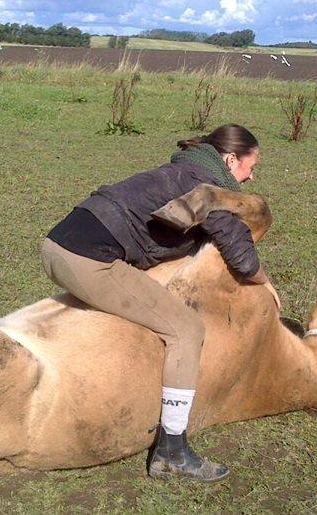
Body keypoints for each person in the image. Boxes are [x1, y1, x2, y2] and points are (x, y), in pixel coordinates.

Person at [41, 123, 280, 482]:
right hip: (88, 259)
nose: (250, 177)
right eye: (250, 167)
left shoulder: (182, 168)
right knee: (185, 329)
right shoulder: (207, 189)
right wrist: (268, 284)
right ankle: (172, 452)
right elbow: (242, 257)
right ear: (231, 160)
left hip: (57, 245)